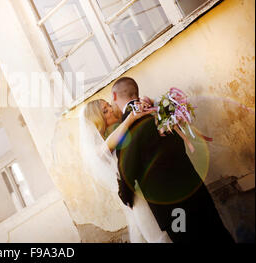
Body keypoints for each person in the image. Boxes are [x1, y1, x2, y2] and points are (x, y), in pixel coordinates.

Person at [110, 77, 234, 243]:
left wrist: (125, 196)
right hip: (195, 191)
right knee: (218, 235)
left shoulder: (126, 127)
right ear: (136, 93)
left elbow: (127, 171)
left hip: (172, 207)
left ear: (114, 96)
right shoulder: (162, 111)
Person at [80, 99, 171, 242]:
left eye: (108, 105)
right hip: (135, 196)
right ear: (98, 120)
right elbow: (103, 152)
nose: (111, 109)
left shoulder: (120, 129)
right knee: (157, 234)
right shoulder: (100, 145)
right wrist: (130, 119)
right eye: (105, 111)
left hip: (151, 187)